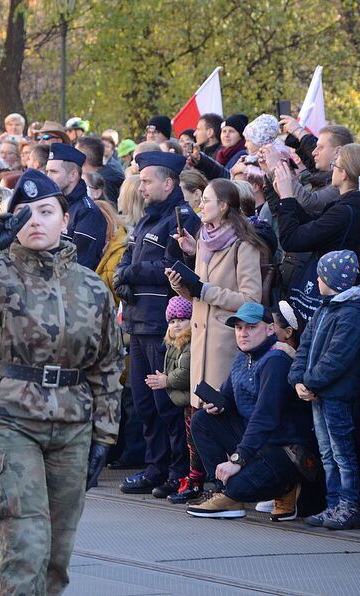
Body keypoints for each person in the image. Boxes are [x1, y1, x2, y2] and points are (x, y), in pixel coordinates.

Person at [0, 168, 124, 594]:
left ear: (65, 220)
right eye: (25, 214)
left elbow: (106, 367)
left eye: (47, 212)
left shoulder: (91, 287)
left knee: (56, 557)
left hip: (71, 426)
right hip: (8, 420)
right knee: (24, 549)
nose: (36, 221)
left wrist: (104, 435)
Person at [114, 152, 201, 496]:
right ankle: (155, 467)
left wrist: (131, 273)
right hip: (138, 321)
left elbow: (175, 266)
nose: (142, 186)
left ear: (168, 183)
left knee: (167, 402)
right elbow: (129, 252)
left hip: (164, 323)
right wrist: (124, 271)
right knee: (144, 401)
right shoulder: (147, 219)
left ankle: (177, 470)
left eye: (148, 180)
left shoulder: (180, 219)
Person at [185, 303, 314, 519]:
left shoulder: (276, 361)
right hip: (258, 443)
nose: (243, 333)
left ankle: (284, 487)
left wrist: (237, 459)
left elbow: (265, 418)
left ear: (270, 329)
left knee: (238, 485)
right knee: (201, 420)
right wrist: (218, 403)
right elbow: (228, 396)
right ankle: (223, 494)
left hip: (284, 448)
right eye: (238, 328)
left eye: (251, 327)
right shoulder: (243, 357)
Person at [166, 177, 263, 444]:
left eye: (206, 201)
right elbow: (198, 294)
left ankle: (226, 478)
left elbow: (251, 300)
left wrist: (204, 290)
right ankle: (201, 480)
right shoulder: (203, 241)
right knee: (198, 418)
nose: (201, 206)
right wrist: (181, 286)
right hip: (200, 344)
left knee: (221, 417)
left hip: (224, 345)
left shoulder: (244, 245)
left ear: (223, 206)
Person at [289, 250, 360, 530]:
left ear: (332, 279)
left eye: (321, 276)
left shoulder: (351, 315)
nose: (317, 281)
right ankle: (332, 503)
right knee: (326, 451)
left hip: (336, 396)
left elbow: (337, 358)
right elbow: (305, 348)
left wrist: (309, 382)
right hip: (318, 394)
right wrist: (298, 379)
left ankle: (348, 505)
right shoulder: (324, 309)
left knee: (342, 452)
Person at [272, 143, 360, 320]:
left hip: (328, 294)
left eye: (335, 166)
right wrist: (285, 197)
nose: (332, 170)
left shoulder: (345, 210)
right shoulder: (356, 205)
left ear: (343, 174)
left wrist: (288, 198)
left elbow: (292, 240)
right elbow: (314, 226)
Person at [145, 297, 195, 499]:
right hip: (180, 400)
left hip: (188, 401)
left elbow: (186, 372)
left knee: (187, 442)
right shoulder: (173, 344)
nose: (177, 325)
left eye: (182, 319)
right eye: (172, 321)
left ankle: (186, 478)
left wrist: (166, 380)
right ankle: (182, 477)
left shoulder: (190, 343)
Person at [44, 143, 107, 270]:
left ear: (73, 175)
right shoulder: (53, 204)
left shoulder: (87, 212)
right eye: (47, 171)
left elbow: (80, 264)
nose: (48, 177)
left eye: (54, 172)